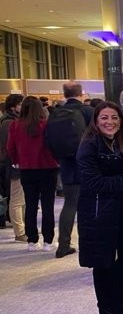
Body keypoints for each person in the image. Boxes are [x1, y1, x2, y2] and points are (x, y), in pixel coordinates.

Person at [76, 101, 123, 314]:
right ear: (96, 121)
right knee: (104, 262)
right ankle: (108, 310)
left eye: (114, 118)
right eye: (104, 118)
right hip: (99, 212)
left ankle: (119, 306)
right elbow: (94, 182)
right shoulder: (88, 145)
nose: (110, 122)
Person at [6, 96, 59, 252]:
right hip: (48, 169)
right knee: (48, 206)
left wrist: (16, 161)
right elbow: (53, 146)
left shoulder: (15, 125)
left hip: (27, 170)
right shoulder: (47, 125)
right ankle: (48, 242)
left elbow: (10, 148)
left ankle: (32, 241)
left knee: (30, 205)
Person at [50, 81, 94, 258]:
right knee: (90, 207)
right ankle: (89, 242)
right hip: (88, 167)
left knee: (69, 205)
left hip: (67, 166)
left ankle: (63, 244)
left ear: (64, 93)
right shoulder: (88, 111)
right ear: (81, 93)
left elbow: (49, 142)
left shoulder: (55, 114)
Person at [0, 94, 26, 242]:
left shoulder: (10, 121)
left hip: (15, 164)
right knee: (17, 199)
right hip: (13, 165)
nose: (22, 107)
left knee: (20, 198)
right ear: (13, 106)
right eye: (20, 104)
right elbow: (8, 148)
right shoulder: (9, 123)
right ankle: (19, 231)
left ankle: (22, 229)